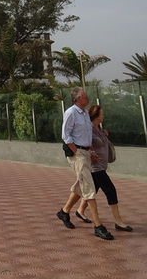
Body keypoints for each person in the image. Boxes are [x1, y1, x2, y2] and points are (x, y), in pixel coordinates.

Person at [57, 87, 114, 240]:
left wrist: (91, 151)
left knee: (81, 185)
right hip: (78, 154)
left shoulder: (84, 114)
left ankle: (64, 211)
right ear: (78, 99)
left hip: (86, 153)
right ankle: (98, 226)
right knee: (89, 188)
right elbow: (65, 135)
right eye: (85, 97)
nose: (88, 99)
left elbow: (87, 134)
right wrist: (77, 152)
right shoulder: (71, 113)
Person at [76, 105, 133, 232]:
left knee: (92, 190)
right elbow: (85, 144)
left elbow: (102, 143)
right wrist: (91, 153)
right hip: (95, 167)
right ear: (96, 115)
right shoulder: (89, 129)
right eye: (102, 114)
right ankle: (118, 222)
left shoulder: (100, 129)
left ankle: (78, 210)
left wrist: (105, 135)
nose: (103, 116)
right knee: (111, 190)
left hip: (102, 165)